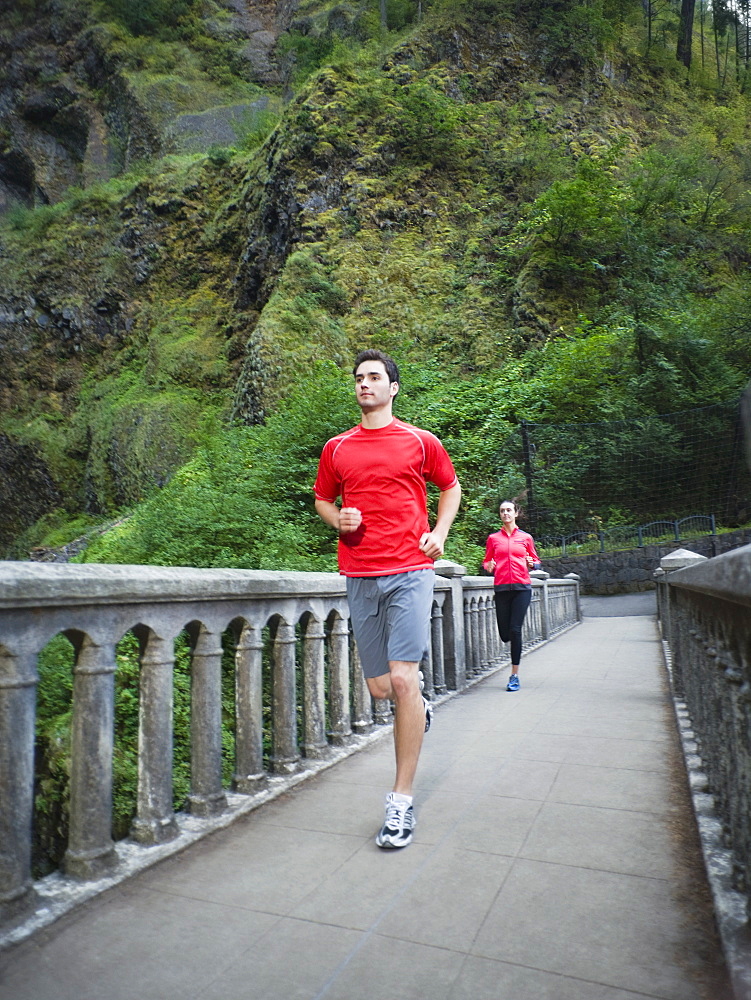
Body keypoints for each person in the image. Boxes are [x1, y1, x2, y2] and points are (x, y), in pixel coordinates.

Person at [314, 349, 462, 849]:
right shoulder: (336, 448)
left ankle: (400, 802)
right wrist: (338, 520)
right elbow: (321, 499)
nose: (364, 384)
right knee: (381, 689)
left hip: (409, 571)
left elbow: (450, 487)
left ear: (393, 387)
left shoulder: (421, 441)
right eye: (358, 378)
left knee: (402, 679)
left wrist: (439, 532)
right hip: (359, 574)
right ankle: (416, 708)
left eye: (374, 377)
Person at [483, 499, 541, 692]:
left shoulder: (526, 538)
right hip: (501, 588)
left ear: (515, 513)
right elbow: (487, 561)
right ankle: (509, 640)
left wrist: (532, 564)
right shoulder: (493, 538)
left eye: (509, 510)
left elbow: (536, 561)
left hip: (521, 588)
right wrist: (488, 566)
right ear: (500, 515)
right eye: (502, 511)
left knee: (515, 630)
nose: (505, 513)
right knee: (505, 634)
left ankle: (514, 675)